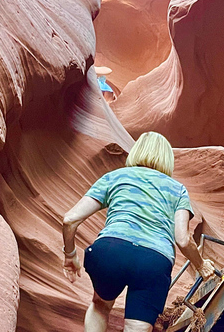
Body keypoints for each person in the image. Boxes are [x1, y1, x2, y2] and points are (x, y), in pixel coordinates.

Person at [61, 132, 215, 332]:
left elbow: (70, 219)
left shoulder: (114, 177)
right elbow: (183, 240)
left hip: (110, 251)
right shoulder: (177, 190)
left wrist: (70, 255)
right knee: (137, 327)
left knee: (100, 306)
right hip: (153, 261)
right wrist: (201, 265)